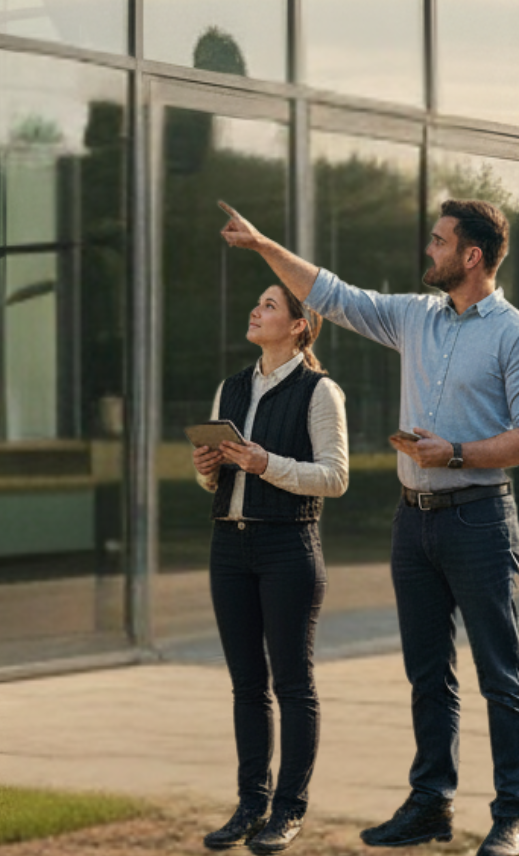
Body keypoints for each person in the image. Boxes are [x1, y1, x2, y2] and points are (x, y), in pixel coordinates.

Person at [219, 198, 519, 856]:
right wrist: (263, 246)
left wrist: (454, 453)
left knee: (499, 675)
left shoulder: (518, 336)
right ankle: (431, 802)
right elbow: (332, 294)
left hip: (479, 519)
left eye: (438, 242)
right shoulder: (417, 316)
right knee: (428, 673)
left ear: (472, 256)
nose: (429, 252)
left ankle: (511, 813)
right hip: (415, 523)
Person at [194, 284, 350, 855]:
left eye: (268, 306)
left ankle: (288, 811)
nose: (255, 311)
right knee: (245, 684)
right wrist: (208, 468)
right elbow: (211, 482)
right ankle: (249, 805)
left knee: (292, 683)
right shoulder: (231, 388)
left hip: (289, 548)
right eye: (256, 303)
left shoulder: (320, 391)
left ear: (298, 326)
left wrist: (264, 463)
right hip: (229, 549)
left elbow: (334, 478)